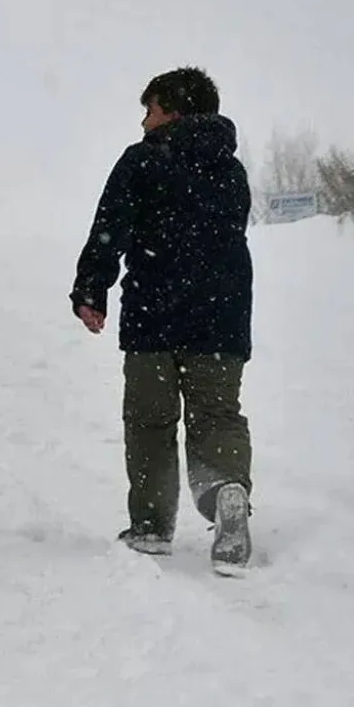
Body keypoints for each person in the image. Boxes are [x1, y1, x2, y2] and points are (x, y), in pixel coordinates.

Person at [69, 66, 254, 575]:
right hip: (223, 317)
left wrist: (91, 290)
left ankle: (151, 527)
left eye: (149, 110)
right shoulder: (230, 168)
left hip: (156, 312)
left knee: (151, 421)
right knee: (217, 415)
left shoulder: (144, 159)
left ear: (172, 109)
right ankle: (227, 494)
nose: (144, 122)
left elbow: (111, 228)